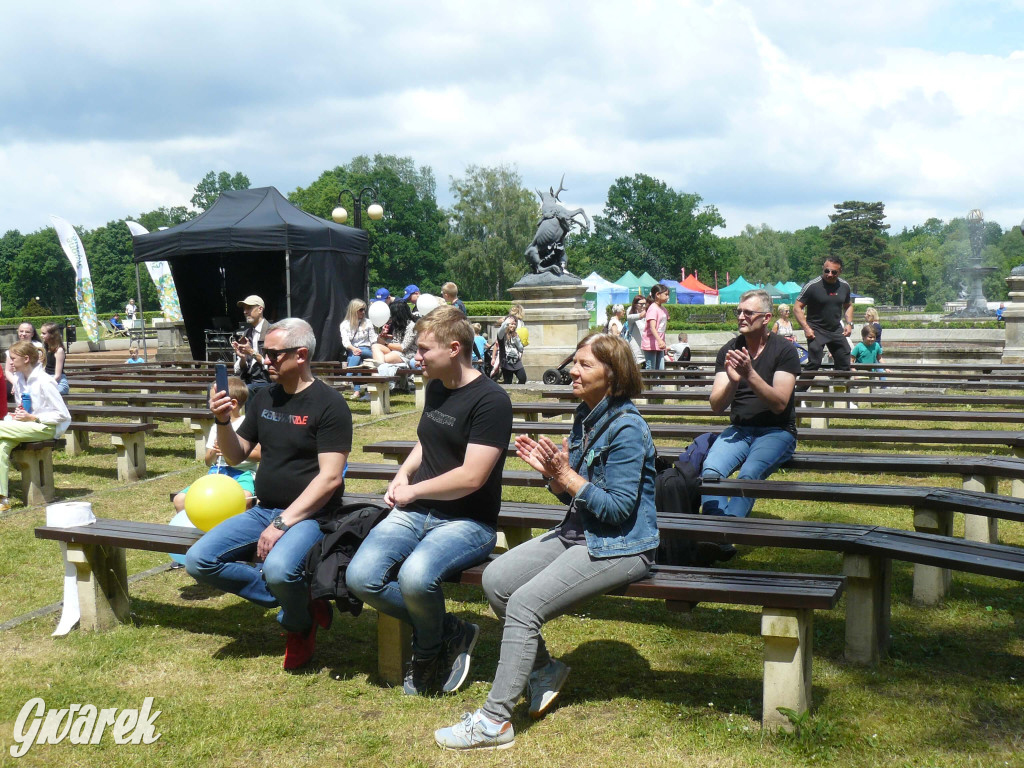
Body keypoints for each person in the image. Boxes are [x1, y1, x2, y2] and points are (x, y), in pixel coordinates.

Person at [434, 332, 658, 751]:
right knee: (497, 580)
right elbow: (574, 494)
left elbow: (619, 511)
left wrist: (569, 477)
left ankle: (494, 721)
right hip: (580, 532)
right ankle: (545, 670)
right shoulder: (584, 414)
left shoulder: (627, 427)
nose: (573, 370)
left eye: (585, 365)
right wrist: (556, 476)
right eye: (575, 362)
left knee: (523, 605)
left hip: (621, 546)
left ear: (613, 374)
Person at [346, 305, 513, 696]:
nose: (414, 357)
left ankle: (426, 653)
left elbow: (472, 476)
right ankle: (449, 629)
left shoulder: (491, 401)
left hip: (468, 522)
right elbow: (428, 440)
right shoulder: (437, 385)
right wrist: (403, 473)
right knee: (360, 578)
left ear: (454, 348)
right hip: (416, 510)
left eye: (423, 350)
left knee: (416, 578)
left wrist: (414, 489)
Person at [185, 318, 353, 670]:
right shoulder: (265, 396)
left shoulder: (330, 404)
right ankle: (301, 604)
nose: (266, 359)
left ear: (301, 354)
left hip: (312, 515)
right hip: (264, 509)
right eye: (265, 352)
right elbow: (235, 455)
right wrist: (221, 422)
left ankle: (297, 625)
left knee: (278, 569)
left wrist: (282, 522)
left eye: (274, 354)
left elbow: (331, 479)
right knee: (199, 560)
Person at [700, 289, 800, 521]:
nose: (741, 317)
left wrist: (750, 374)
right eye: (739, 312)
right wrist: (734, 383)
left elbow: (780, 404)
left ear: (766, 318)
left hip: (777, 431)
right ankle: (715, 528)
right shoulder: (729, 350)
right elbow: (716, 406)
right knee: (710, 471)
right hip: (739, 430)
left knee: (749, 474)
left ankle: (727, 529)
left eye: (748, 312)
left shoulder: (784, 350)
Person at [0, 341, 71, 512]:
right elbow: (26, 407)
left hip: (47, 428)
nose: (9, 363)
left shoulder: (45, 381)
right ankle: (2, 500)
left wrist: (34, 417)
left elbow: (63, 415)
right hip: (27, 427)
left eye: (13, 358)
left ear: (25, 359)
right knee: (1, 447)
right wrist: (21, 413)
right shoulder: (18, 381)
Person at [173, 377, 260, 513]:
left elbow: (259, 455)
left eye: (215, 400)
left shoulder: (247, 423)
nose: (210, 404)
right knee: (180, 499)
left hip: (243, 474)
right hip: (217, 473)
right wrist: (214, 451)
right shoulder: (216, 426)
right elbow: (208, 462)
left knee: (245, 498)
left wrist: (232, 451)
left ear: (232, 403)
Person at [794, 258, 853, 383]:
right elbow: (797, 307)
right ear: (823, 268)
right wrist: (806, 328)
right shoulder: (812, 286)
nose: (830, 274)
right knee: (815, 362)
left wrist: (849, 324)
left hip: (835, 329)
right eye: (827, 271)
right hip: (816, 330)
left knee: (844, 358)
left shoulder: (844, 286)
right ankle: (799, 394)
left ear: (840, 272)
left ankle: (840, 394)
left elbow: (848, 305)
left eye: (834, 272)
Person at [231, 295, 271, 396]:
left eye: (249, 308)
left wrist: (252, 353)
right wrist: (242, 358)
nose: (245, 312)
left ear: (260, 309)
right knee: (216, 386)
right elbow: (239, 369)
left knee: (249, 389)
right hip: (248, 379)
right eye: (244, 309)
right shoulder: (247, 333)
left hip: (265, 380)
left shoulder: (271, 332)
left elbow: (273, 365)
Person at [370, 299, 418, 368]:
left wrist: (385, 343)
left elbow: (403, 347)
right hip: (395, 351)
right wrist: (383, 335)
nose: (391, 317)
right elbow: (395, 340)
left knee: (380, 361)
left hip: (406, 354)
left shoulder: (411, 326)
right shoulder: (397, 325)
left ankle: (378, 376)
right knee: (375, 346)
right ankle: (379, 374)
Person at [641, 284, 670, 370]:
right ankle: (651, 383)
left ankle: (658, 384)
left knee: (660, 368)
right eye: (666, 294)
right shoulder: (653, 308)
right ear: (657, 295)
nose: (667, 297)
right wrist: (659, 340)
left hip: (660, 344)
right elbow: (652, 327)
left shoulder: (663, 309)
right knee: (651, 368)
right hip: (651, 343)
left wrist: (662, 342)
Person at [495, 315, 527, 384]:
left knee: (523, 378)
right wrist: (506, 321)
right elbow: (501, 330)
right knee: (508, 382)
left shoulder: (515, 335)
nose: (513, 326)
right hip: (506, 362)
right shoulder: (502, 335)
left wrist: (517, 340)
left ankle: (518, 392)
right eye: (511, 324)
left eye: (515, 324)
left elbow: (521, 349)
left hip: (516, 361)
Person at [40, 322, 69, 396]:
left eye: (44, 333)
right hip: (47, 379)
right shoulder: (45, 348)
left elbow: (58, 375)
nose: (41, 335)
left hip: (59, 382)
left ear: (52, 335)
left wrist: (45, 384)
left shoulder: (59, 351)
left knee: (44, 393)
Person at [624, 295, 647, 367]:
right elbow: (635, 316)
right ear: (635, 305)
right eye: (641, 304)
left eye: (645, 304)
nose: (643, 306)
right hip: (635, 349)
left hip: (646, 348)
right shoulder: (632, 315)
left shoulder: (647, 316)